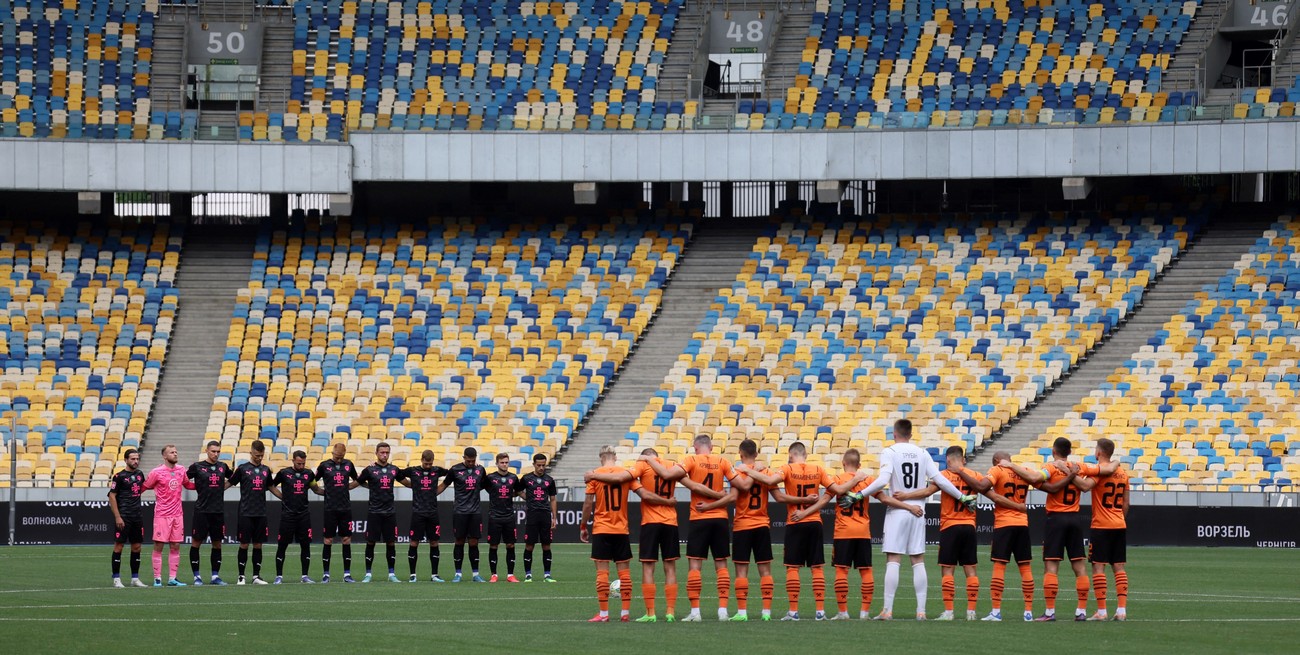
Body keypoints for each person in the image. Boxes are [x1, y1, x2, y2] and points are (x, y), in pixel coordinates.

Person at [850, 419, 977, 620]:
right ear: (910, 433)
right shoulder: (923, 452)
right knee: (917, 560)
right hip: (919, 511)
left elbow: (883, 480)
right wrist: (961, 496)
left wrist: (859, 494)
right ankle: (921, 612)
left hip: (897, 511)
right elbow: (941, 481)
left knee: (893, 559)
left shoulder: (890, 451)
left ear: (895, 433)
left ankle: (888, 610)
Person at [792, 448, 921, 620]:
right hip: (863, 532)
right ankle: (864, 613)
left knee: (841, 572)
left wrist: (804, 513)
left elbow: (823, 502)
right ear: (859, 465)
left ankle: (843, 612)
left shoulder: (837, 480)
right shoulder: (868, 480)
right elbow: (885, 499)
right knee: (866, 571)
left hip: (843, 532)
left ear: (843, 463)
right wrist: (910, 507)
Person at [642, 434, 737, 621]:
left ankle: (695, 612)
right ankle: (723, 611)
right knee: (722, 565)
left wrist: (647, 459)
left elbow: (669, 475)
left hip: (699, 517)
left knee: (695, 566)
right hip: (720, 518)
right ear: (711, 446)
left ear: (695, 448)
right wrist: (718, 500)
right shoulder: (723, 461)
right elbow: (735, 492)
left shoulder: (691, 460)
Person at [738, 441, 834, 621]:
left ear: (790, 455)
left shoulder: (787, 469)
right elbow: (833, 491)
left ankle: (793, 611)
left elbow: (770, 481)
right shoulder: (819, 469)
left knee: (792, 567)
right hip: (814, 521)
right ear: (805, 454)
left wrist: (748, 469)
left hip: (794, 521)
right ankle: (820, 612)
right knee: (817, 567)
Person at [999, 437, 1089, 621]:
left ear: (1054, 451)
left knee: (1051, 566)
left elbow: (1033, 477)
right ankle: (1081, 611)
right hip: (1074, 518)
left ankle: (1049, 612)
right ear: (1069, 452)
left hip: (1056, 519)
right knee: (1079, 566)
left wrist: (1010, 465)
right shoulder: (1078, 466)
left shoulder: (1051, 467)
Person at [581, 445, 675, 622]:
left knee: (602, 572)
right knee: (624, 573)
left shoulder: (594, 475)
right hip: (621, 529)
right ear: (615, 456)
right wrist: (667, 501)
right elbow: (645, 494)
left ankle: (603, 614)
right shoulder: (626, 474)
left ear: (600, 457)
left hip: (602, 528)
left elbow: (587, 504)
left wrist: (583, 526)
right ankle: (625, 613)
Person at [897, 445, 988, 620]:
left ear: (947, 460)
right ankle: (971, 612)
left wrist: (905, 496)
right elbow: (985, 488)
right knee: (971, 570)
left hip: (950, 526)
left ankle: (948, 612)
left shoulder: (944, 476)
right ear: (963, 459)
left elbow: (927, 492)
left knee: (948, 570)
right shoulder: (975, 476)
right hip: (969, 526)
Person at [702, 438, 775, 621]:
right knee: (765, 570)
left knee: (741, 571)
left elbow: (732, 498)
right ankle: (766, 612)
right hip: (762, 525)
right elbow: (779, 496)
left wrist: (709, 507)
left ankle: (742, 612)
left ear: (740, 455)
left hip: (742, 525)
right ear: (756, 454)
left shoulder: (738, 473)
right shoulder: (765, 472)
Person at [1073, 438, 1129, 621]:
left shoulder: (1099, 472)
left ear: (1099, 453)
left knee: (1098, 567)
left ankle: (1102, 611)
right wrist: (1119, 518)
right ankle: (1121, 610)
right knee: (1119, 567)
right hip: (1119, 524)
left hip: (1101, 525)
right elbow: (1127, 503)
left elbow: (1084, 487)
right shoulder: (1122, 473)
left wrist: (1069, 473)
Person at [981, 450, 1038, 621]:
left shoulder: (997, 470)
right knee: (1025, 567)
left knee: (999, 566)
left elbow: (983, 485)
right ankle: (1028, 612)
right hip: (1022, 524)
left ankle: (996, 611)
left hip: (1004, 523)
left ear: (998, 460)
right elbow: (1037, 478)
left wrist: (991, 494)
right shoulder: (1024, 470)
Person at [143, 444, 195, 586]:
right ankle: (157, 579)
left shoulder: (181, 470)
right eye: (172, 452)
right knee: (159, 545)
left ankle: (172, 578)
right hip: (162, 514)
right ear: (164, 456)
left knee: (176, 545)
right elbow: (144, 486)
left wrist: (204, 484)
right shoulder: (156, 472)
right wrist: (129, 497)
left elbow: (188, 485)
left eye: (176, 452)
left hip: (178, 514)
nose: (175, 454)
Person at [186, 440, 232, 586]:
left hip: (217, 512)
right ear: (207, 451)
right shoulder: (197, 466)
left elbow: (234, 478)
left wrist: (221, 488)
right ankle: (197, 577)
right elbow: (183, 479)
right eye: (213, 451)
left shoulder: (223, 466)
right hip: (201, 511)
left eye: (218, 451)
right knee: (196, 543)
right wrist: (196, 487)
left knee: (217, 544)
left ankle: (215, 577)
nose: (216, 454)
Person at [228, 440, 274, 585]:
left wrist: (286, 498)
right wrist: (211, 490)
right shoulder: (242, 469)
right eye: (256, 455)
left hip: (261, 513)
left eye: (261, 455)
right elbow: (229, 483)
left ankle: (256, 576)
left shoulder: (266, 470)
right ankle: (241, 576)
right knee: (244, 544)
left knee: (258, 545)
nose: (259, 458)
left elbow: (271, 487)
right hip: (245, 512)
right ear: (251, 453)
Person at [270, 450, 320, 584]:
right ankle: (279, 576)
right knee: (282, 545)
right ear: (293, 461)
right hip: (288, 515)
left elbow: (316, 489)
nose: (301, 466)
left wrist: (330, 492)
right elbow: (271, 486)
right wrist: (282, 497)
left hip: (303, 515)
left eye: (303, 463)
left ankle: (305, 576)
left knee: (305, 545)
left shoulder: (308, 474)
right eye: (299, 463)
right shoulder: (284, 473)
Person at [400, 449, 449, 582]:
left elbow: (453, 473)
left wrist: (440, 488)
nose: (428, 466)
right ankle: (412, 575)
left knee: (434, 542)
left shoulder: (437, 470)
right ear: (421, 460)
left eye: (430, 464)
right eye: (426, 463)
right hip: (418, 512)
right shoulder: (413, 471)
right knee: (414, 542)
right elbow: (396, 473)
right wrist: (411, 485)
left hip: (433, 512)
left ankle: (434, 575)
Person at [442, 447, 488, 582]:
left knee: (474, 542)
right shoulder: (455, 470)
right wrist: (430, 495)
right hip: (460, 512)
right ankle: (458, 574)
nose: (471, 463)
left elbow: (485, 484)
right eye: (468, 461)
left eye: (473, 461)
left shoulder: (480, 470)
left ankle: (475, 574)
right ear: (464, 458)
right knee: (459, 541)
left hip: (475, 512)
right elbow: (444, 484)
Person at [316, 442, 360, 583]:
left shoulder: (349, 464)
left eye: (342, 457)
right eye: (337, 456)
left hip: (345, 508)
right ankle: (326, 574)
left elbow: (357, 480)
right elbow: (312, 481)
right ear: (332, 453)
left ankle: (347, 574)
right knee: (328, 540)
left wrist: (347, 487)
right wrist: (321, 492)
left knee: (346, 540)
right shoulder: (324, 465)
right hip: (330, 508)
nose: (339, 459)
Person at [358, 442, 401, 583]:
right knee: (371, 542)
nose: (384, 455)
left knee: (391, 543)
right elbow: (358, 481)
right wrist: (371, 486)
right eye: (382, 452)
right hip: (374, 511)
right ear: (376, 453)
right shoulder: (370, 470)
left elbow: (406, 481)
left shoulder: (394, 469)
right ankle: (368, 574)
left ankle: (391, 574)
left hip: (389, 512)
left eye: (387, 452)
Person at [516, 453, 558, 582]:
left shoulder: (549, 480)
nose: (541, 468)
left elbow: (552, 499)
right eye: (539, 465)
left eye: (543, 465)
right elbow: (518, 490)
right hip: (532, 515)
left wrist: (554, 517)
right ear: (534, 464)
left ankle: (547, 575)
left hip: (545, 515)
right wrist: (527, 498)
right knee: (529, 545)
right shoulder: (526, 478)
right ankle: (528, 575)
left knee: (546, 545)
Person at [108, 448, 147, 587]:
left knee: (137, 547)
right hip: (124, 516)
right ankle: (116, 579)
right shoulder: (119, 477)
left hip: (137, 516)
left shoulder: (140, 474)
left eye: (137, 459)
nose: (135, 461)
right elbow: (112, 495)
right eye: (132, 459)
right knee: (119, 546)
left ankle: (135, 578)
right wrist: (118, 516)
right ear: (126, 460)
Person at [485, 453, 521, 582]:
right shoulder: (490, 478)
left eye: (506, 462)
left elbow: (518, 491)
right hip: (495, 516)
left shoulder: (513, 477)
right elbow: (485, 488)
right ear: (497, 463)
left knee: (510, 545)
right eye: (502, 462)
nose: (504, 465)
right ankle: (494, 574)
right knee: (493, 545)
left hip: (509, 516)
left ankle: (510, 575)